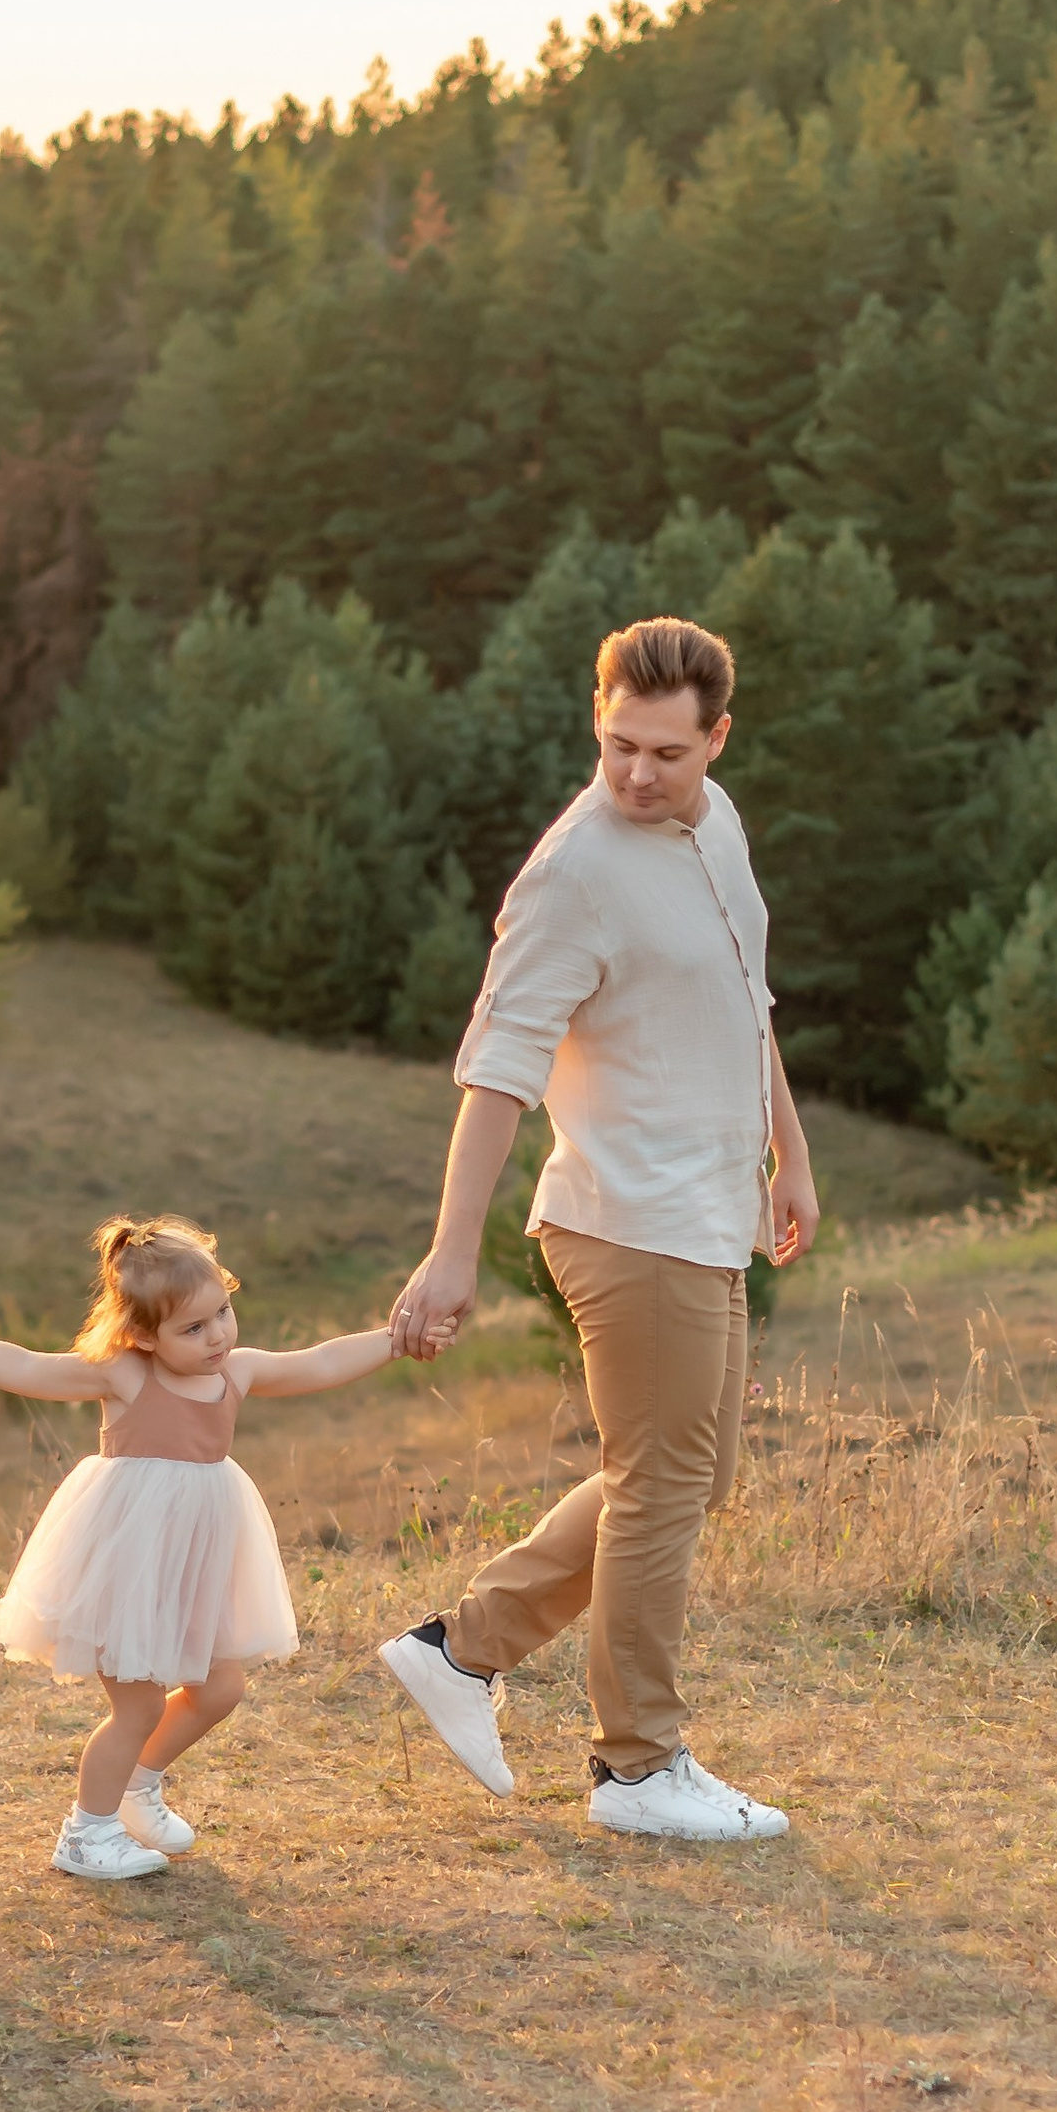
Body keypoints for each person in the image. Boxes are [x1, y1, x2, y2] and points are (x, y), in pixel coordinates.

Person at [381, 615, 817, 1841]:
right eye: (617, 743)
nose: (635, 774)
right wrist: (451, 1247)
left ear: (716, 740)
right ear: (596, 719)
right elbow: (496, 1068)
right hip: (625, 1220)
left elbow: (748, 1000)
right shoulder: (573, 872)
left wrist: (788, 1151)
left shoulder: (715, 823)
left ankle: (461, 1651)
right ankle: (637, 1768)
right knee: (667, 1484)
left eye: (666, 752)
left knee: (685, 1474)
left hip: (709, 1206)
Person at [0, 1214, 398, 1880]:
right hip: (130, 1561)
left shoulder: (237, 1372)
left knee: (220, 1686)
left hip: (194, 1563)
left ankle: (137, 1787)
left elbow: (320, 1361)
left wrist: (397, 1339)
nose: (218, 1336)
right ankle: (85, 1833)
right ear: (144, 1333)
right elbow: (25, 1366)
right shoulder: (125, 1375)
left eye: (224, 1313)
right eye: (194, 1328)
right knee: (139, 1703)